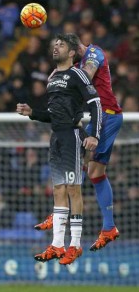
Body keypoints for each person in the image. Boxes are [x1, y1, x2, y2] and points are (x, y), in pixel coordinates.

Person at [17, 33, 102, 265]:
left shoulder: (78, 74)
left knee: (73, 189)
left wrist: (94, 134)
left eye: (61, 45)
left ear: (72, 52)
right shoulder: (53, 79)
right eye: (54, 45)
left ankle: (75, 245)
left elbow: (95, 103)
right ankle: (57, 245)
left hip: (73, 136)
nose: (56, 48)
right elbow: (53, 115)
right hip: (56, 137)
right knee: (58, 190)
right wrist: (32, 113)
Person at [35, 34, 123, 252]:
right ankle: (109, 228)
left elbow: (87, 74)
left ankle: (59, 213)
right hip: (103, 117)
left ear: (74, 49)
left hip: (107, 115)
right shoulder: (79, 62)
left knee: (77, 158)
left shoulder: (93, 54)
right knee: (95, 173)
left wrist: (64, 75)